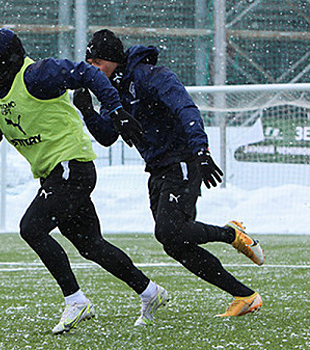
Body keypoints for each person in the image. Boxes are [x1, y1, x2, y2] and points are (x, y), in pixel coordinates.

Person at [0, 27, 168, 334]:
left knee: (32, 228)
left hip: (71, 165)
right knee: (91, 245)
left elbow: (89, 75)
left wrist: (116, 111)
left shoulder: (38, 74)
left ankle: (76, 301)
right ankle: (150, 292)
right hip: (55, 172)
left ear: (6, 55)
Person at [73, 29, 264, 318]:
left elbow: (185, 108)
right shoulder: (114, 91)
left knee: (169, 230)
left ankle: (232, 234)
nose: (91, 69)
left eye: (97, 61)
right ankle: (244, 295)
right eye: (88, 62)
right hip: (158, 169)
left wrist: (201, 151)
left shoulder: (150, 75)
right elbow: (108, 136)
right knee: (174, 243)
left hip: (183, 160)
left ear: (113, 60)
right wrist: (88, 112)